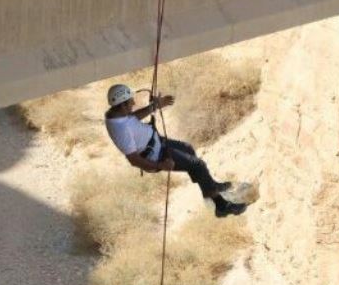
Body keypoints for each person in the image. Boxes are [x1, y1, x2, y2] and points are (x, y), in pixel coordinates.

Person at [104, 84, 247, 218]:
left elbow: (132, 118)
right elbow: (134, 160)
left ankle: (209, 188)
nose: (133, 104)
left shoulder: (116, 114)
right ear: (122, 105)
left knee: (188, 149)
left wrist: (154, 106)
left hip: (158, 142)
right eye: (130, 102)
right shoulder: (120, 130)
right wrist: (161, 166)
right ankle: (221, 206)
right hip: (156, 155)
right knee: (198, 165)